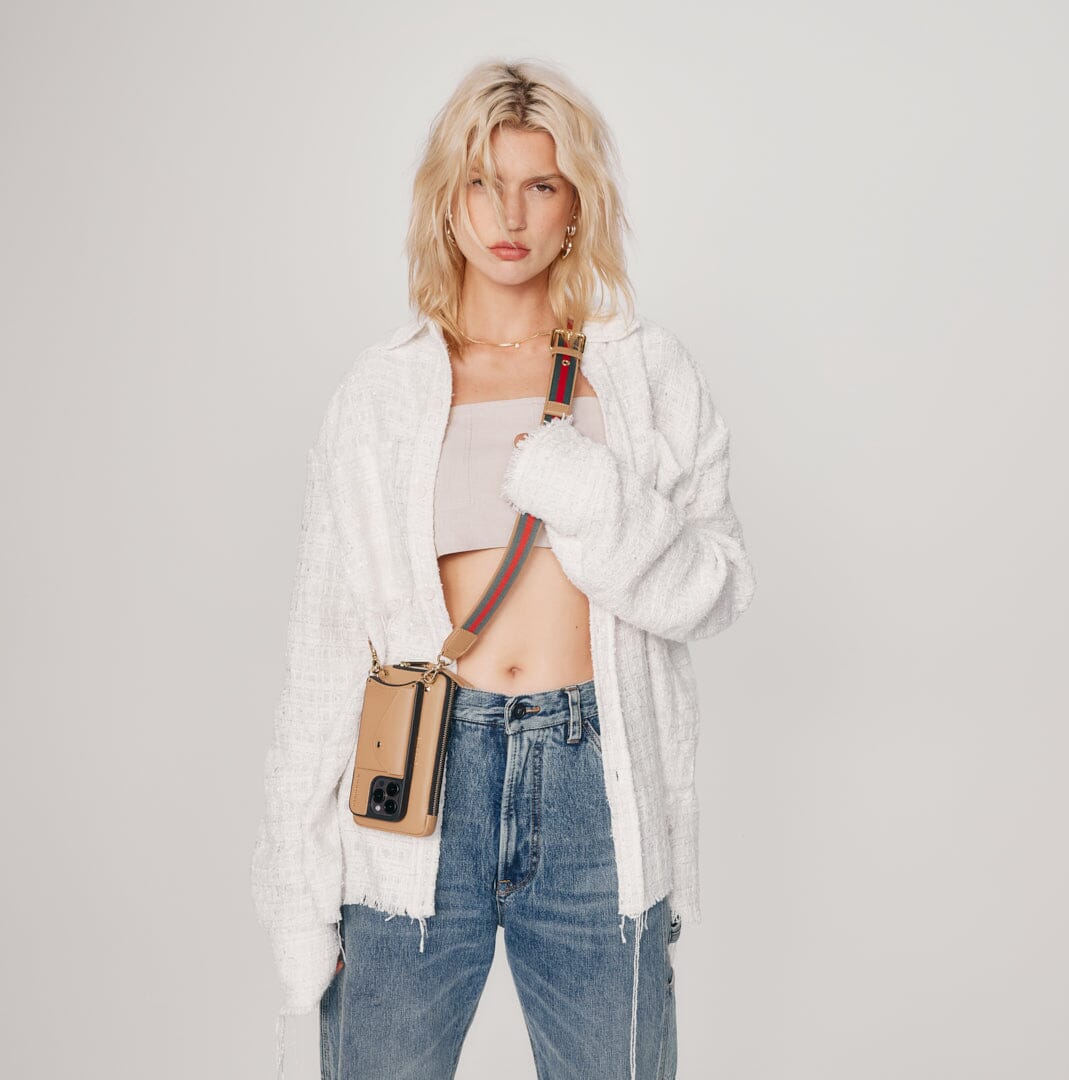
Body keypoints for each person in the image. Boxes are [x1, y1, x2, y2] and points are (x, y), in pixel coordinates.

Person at [251, 58, 757, 1080]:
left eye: (541, 184)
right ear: (447, 201)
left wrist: (598, 498)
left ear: (578, 205)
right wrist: (295, 886)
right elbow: (324, 646)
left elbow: (718, 586)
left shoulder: (643, 373)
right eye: (483, 183)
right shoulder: (381, 394)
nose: (510, 215)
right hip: (420, 777)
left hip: (594, 776)